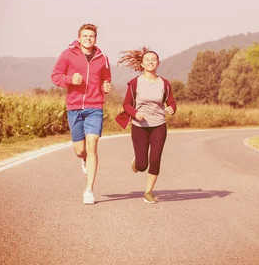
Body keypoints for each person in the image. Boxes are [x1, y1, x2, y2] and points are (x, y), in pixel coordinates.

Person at [51, 23, 112, 205]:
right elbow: (55, 76)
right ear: (79, 38)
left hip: (95, 107)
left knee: (92, 144)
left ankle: (89, 190)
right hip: (75, 107)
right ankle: (84, 159)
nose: (88, 38)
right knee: (80, 150)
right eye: (85, 36)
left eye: (91, 36)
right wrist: (70, 80)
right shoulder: (67, 54)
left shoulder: (102, 58)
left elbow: (106, 79)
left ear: (95, 39)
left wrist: (105, 87)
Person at [115, 47, 177, 204]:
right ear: (142, 64)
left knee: (155, 158)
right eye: (147, 60)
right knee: (142, 165)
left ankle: (148, 192)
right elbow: (126, 104)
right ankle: (137, 161)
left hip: (159, 125)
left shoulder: (164, 83)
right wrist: (135, 114)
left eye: (154, 60)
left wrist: (172, 108)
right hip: (139, 126)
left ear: (158, 63)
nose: (151, 62)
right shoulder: (135, 83)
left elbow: (171, 102)